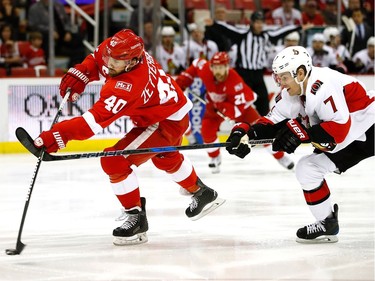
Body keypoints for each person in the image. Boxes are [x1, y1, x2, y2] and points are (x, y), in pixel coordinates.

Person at [31, 29, 225, 245]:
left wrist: (56, 137)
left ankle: (136, 218)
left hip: (164, 122)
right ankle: (202, 193)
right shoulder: (122, 45)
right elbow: (97, 58)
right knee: (166, 157)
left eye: (116, 61)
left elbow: (90, 125)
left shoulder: (128, 86)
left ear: (132, 62)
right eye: (109, 57)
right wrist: (82, 73)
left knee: (114, 160)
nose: (109, 63)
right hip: (169, 110)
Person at [225, 46, 374, 243]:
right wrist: (246, 134)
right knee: (306, 169)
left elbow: (339, 130)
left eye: (284, 77)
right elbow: (272, 122)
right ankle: (327, 224)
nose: (280, 83)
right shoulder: (292, 91)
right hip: (355, 139)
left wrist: (302, 134)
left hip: (369, 127)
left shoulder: (322, 85)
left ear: (301, 73)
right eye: (278, 77)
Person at [176, 51, 294, 174]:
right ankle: (215, 157)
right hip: (214, 107)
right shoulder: (205, 69)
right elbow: (196, 64)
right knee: (207, 131)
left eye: (221, 68)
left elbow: (235, 111)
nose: (218, 71)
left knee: (262, 129)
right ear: (211, 67)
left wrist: (221, 106)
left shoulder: (235, 82)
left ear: (227, 67)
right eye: (215, 68)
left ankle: (280, 157)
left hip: (241, 108)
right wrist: (181, 83)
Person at [205, 11, 305, 116]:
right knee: (242, 103)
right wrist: (214, 24)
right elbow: (227, 29)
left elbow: (282, 31)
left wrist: (299, 27)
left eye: (261, 22)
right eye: (257, 22)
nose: (259, 25)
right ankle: (240, 126)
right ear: (252, 23)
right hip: (243, 74)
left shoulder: (267, 35)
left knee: (264, 104)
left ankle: (263, 127)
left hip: (258, 74)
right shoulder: (242, 34)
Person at [27, 0, 86, 67]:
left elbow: (67, 20)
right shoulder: (34, 8)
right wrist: (50, 31)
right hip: (47, 34)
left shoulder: (58, 5)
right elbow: (33, 25)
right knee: (47, 37)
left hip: (63, 33)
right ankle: (48, 65)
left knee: (79, 38)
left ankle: (77, 66)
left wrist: (68, 32)